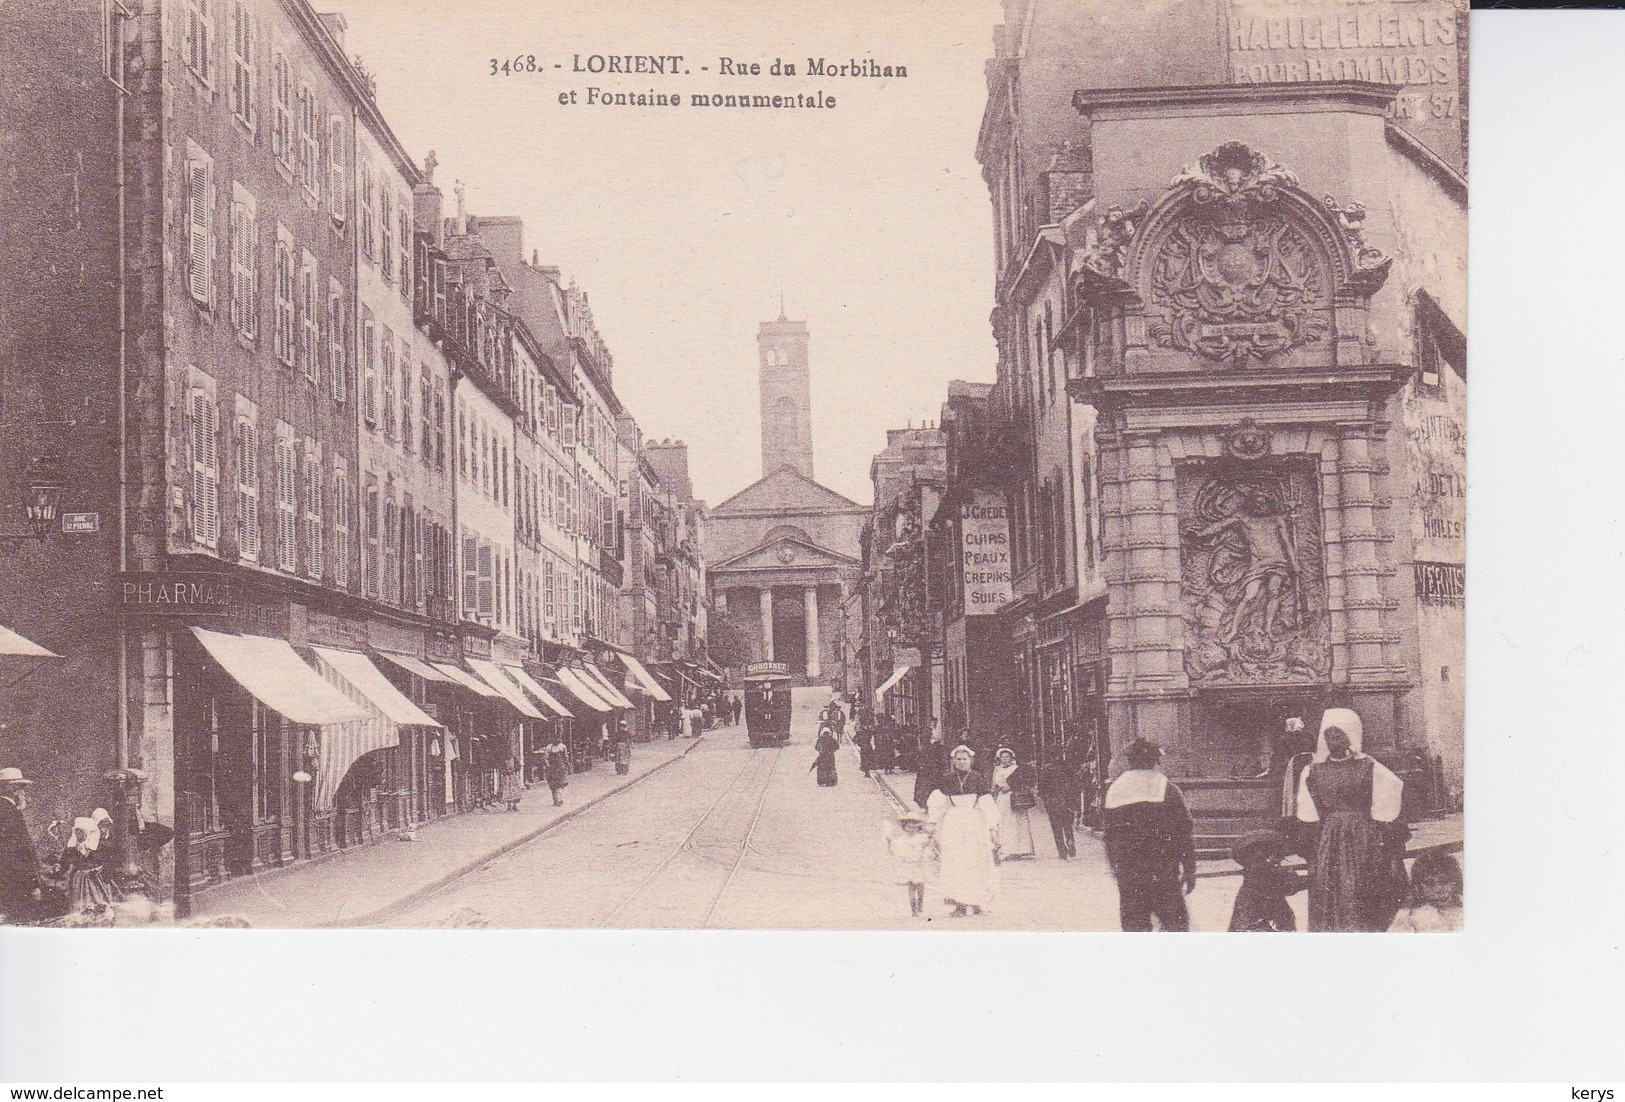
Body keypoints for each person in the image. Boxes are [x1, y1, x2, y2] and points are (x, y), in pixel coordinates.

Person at [1295, 707, 1407, 932]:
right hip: (1328, 836)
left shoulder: (1368, 766)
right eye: (1329, 736)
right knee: (1328, 885)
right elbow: (1307, 809)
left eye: (1339, 735)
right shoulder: (1313, 770)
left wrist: (1378, 825)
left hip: (1362, 834)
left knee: (1360, 883)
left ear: (1351, 736)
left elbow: (1390, 791)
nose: (1334, 741)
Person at [1103, 739, 1197, 932]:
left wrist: (1116, 867)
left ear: (1129, 762)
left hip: (1130, 875)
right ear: (1155, 761)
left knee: (1135, 930)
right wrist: (1189, 869)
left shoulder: (1115, 791)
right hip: (1163, 873)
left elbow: (1109, 837)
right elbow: (1184, 832)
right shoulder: (1168, 790)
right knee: (1176, 927)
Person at [926, 745, 999, 916]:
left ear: (971, 761)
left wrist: (992, 827)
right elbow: (940, 803)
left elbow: (986, 803)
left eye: (965, 759)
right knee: (956, 861)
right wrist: (933, 822)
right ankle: (958, 902)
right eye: (958, 759)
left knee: (975, 860)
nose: (961, 762)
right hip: (954, 823)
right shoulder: (947, 779)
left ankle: (976, 902)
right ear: (953, 761)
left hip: (974, 823)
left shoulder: (978, 778)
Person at [1227, 830, 1308, 932]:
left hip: (1257, 915)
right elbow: (1288, 886)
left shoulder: (1259, 868)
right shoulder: (1259, 870)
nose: (1279, 857)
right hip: (1253, 918)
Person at [0, 767, 42, 924]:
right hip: (16, 883)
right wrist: (33, 885)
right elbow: (20, 853)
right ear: (13, 789)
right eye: (22, 789)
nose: (24, 794)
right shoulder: (11, 813)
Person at [1387, 850, 1463, 933]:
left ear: (1455, 882)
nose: (1438, 889)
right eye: (1430, 884)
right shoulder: (1408, 915)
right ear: (1418, 886)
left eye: (1444, 882)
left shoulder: (1466, 909)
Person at [882, 811, 935, 918]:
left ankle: (920, 905)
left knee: (920, 887)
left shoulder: (921, 838)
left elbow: (928, 846)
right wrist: (889, 841)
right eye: (908, 827)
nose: (911, 829)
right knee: (911, 887)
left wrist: (929, 842)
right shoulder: (901, 840)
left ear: (917, 828)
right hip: (909, 866)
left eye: (914, 827)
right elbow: (894, 849)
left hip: (919, 865)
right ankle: (913, 910)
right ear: (904, 827)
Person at [990, 748, 1036, 860]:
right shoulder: (998, 770)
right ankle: (1007, 849)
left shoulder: (1016, 769)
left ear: (1011, 758)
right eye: (1003, 757)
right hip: (1003, 799)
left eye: (1007, 757)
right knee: (1005, 822)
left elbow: (1023, 782)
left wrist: (1011, 786)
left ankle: (1022, 849)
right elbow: (994, 785)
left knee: (1018, 821)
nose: (1005, 759)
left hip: (1014, 797)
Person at [1037, 752, 1081, 859]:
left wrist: (1044, 800)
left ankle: (1062, 850)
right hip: (1066, 800)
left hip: (1052, 801)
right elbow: (1076, 784)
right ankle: (1070, 842)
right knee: (1067, 825)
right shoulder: (1068, 767)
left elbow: (1042, 787)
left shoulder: (1047, 769)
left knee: (1056, 826)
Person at [913, 734, 949, 812]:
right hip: (933, 772)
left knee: (926, 789)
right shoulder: (935, 747)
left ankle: (925, 805)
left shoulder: (925, 748)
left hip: (928, 772)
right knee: (930, 789)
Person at [543, 742, 569, 807]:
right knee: (553, 785)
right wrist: (548, 765)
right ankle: (555, 800)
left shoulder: (562, 747)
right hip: (552, 768)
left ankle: (559, 799)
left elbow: (566, 757)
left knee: (560, 785)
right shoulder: (548, 747)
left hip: (560, 768)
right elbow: (545, 758)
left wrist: (567, 766)